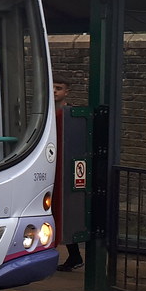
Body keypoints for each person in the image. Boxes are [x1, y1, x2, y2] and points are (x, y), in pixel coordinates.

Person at [54, 74, 83, 271]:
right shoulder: (46, 112)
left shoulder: (68, 114)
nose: (55, 91)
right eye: (53, 87)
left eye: (59, 88)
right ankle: (74, 256)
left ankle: (73, 256)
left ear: (66, 92)